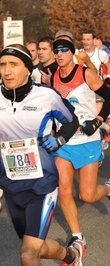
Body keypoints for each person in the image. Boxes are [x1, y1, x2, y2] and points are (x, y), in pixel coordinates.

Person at [0, 44, 84, 265]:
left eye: (14, 65)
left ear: (28, 68)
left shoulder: (46, 96)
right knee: (33, 248)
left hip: (42, 185)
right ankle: (70, 255)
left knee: (28, 254)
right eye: (2, 65)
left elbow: (71, 120)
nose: (7, 71)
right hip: (10, 186)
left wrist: (60, 139)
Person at [50, 38, 110, 251]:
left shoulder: (86, 74)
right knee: (64, 191)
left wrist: (99, 120)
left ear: (72, 53)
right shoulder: (54, 77)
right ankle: (77, 236)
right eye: (57, 51)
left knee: (87, 196)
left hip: (88, 140)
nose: (59, 54)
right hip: (65, 143)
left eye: (64, 50)